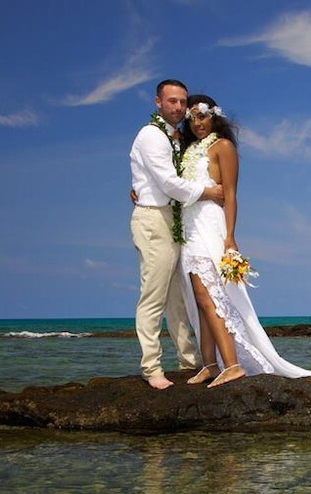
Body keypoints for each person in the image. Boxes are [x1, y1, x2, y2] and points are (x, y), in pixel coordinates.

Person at [176, 94, 311, 387]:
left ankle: (233, 365)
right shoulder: (189, 151)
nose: (197, 123)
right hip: (189, 229)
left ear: (213, 116)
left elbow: (230, 195)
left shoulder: (222, 147)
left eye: (202, 116)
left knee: (210, 296)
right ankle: (210, 364)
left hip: (209, 227)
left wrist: (230, 237)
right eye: (191, 119)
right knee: (200, 299)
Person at [130, 79, 224, 390]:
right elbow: (169, 183)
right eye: (172, 101)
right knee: (153, 296)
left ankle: (188, 361)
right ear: (158, 102)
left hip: (172, 219)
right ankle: (152, 369)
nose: (179, 107)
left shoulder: (175, 138)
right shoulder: (151, 136)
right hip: (154, 219)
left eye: (182, 102)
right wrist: (209, 192)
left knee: (176, 299)